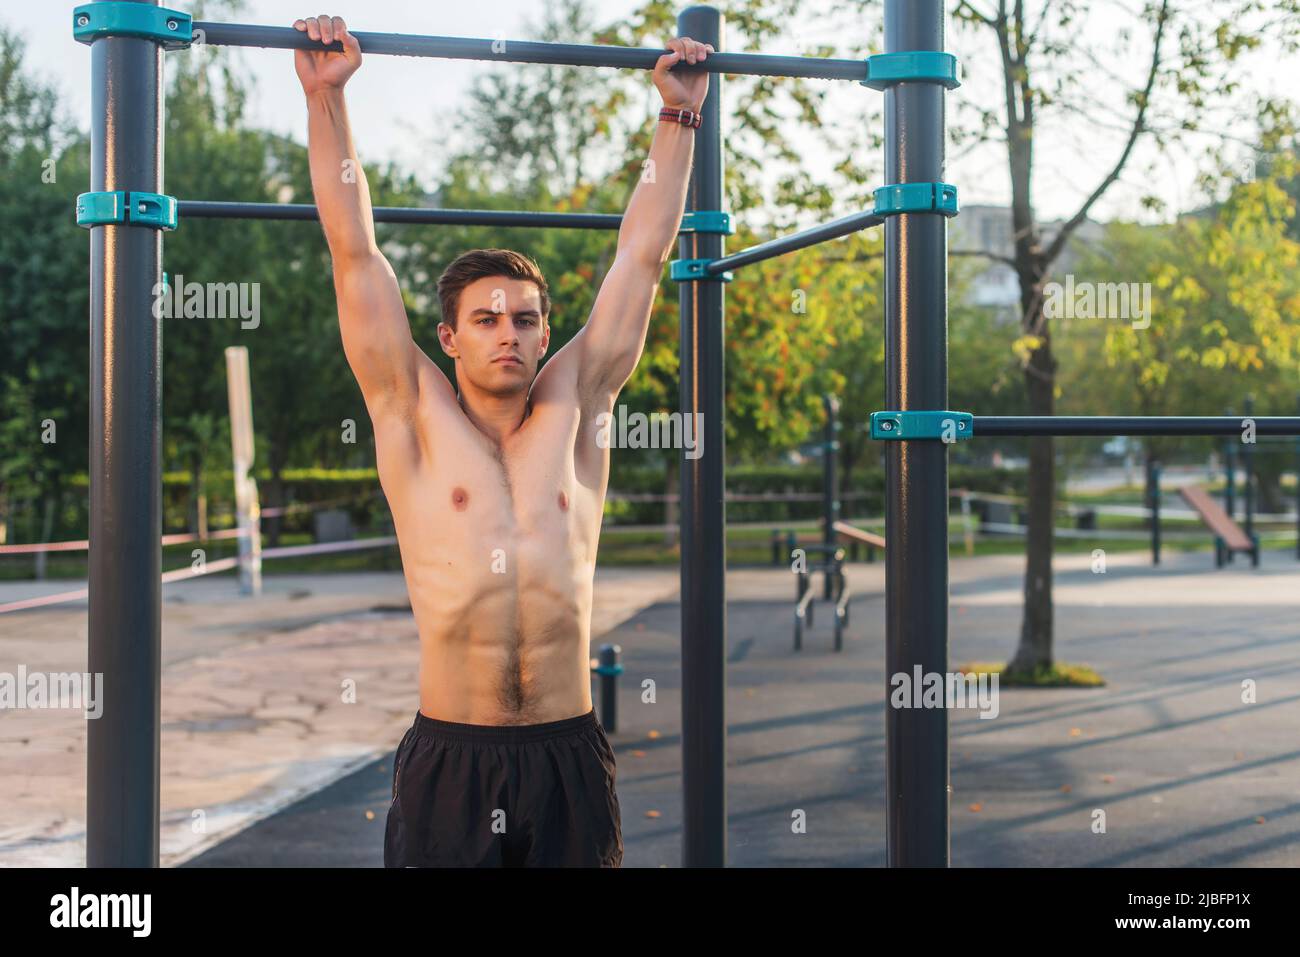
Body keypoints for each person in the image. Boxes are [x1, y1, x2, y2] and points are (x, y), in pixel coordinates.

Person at [292, 15, 712, 866]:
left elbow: (640, 257)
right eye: (484, 319)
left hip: (566, 758)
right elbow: (353, 252)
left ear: (547, 329)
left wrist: (678, 118)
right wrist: (327, 97)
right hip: (451, 757)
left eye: (524, 318)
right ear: (449, 337)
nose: (507, 333)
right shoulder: (410, 413)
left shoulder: (579, 402)